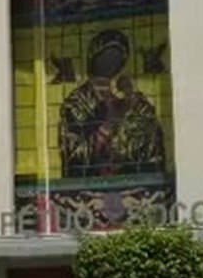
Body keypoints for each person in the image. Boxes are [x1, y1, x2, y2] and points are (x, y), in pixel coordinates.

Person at [59, 29, 166, 177]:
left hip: (134, 178)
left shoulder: (133, 100)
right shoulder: (77, 101)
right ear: (93, 58)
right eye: (105, 56)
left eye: (116, 57)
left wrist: (130, 96)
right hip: (93, 180)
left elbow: (150, 132)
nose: (110, 62)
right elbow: (74, 154)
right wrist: (107, 125)